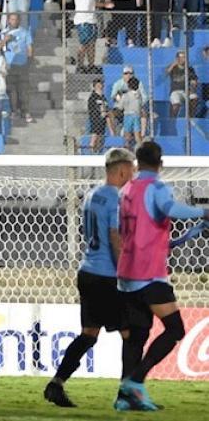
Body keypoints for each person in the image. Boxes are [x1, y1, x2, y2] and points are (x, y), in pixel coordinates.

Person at [114, 141, 209, 411]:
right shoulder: (156, 187)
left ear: (136, 164)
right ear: (161, 163)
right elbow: (171, 209)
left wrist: (187, 236)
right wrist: (204, 211)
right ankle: (135, 381)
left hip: (126, 274)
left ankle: (124, 398)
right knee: (175, 329)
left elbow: (143, 233)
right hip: (149, 275)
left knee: (137, 337)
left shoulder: (126, 190)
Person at [44, 148, 135, 408]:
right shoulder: (118, 199)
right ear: (121, 170)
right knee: (131, 334)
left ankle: (56, 384)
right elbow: (115, 237)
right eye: (132, 168)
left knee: (89, 334)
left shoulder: (91, 196)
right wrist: (125, 273)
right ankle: (127, 394)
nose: (134, 173)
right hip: (108, 275)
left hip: (87, 272)